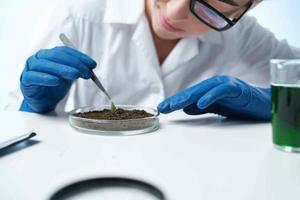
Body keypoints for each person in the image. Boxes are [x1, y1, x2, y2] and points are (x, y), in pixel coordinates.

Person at [16, 0, 300, 120]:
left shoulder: (242, 36)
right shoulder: (79, 12)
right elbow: (15, 133)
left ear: (243, 12)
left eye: (211, 6)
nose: (175, 14)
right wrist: (33, 108)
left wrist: (279, 105)